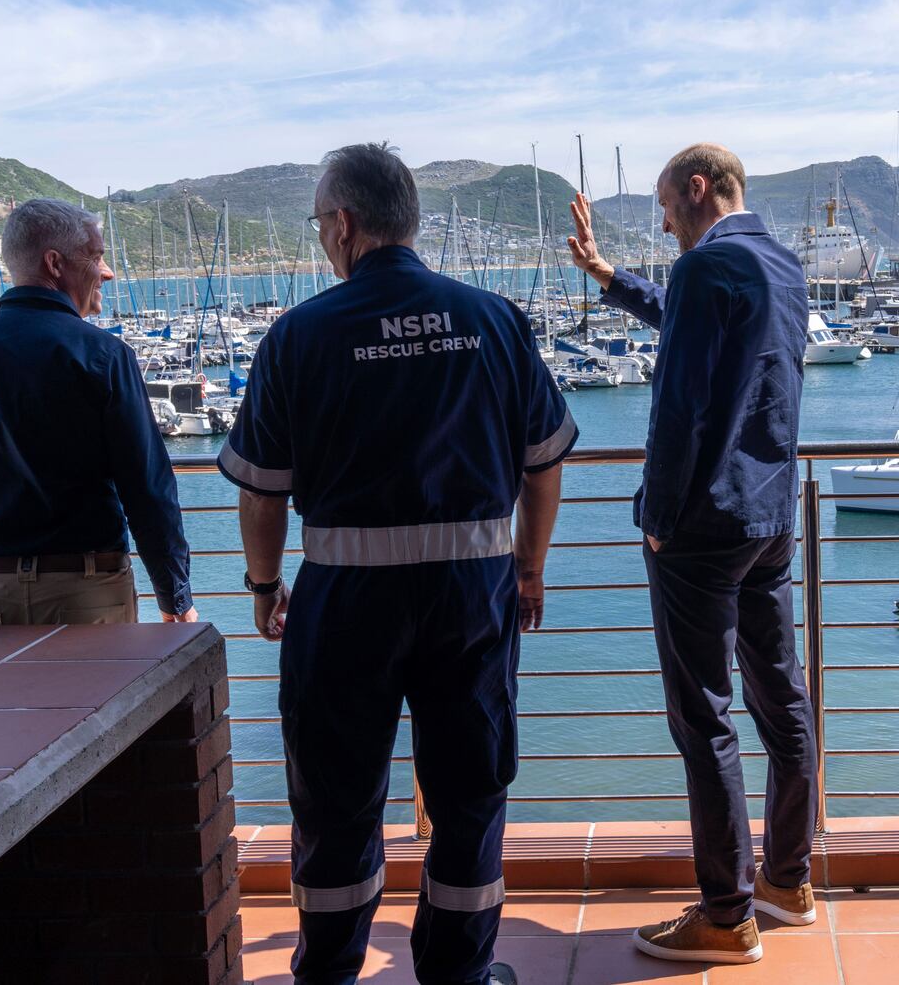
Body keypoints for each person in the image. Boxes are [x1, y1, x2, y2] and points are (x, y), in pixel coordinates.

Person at [219, 142, 574, 985]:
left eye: (318, 224)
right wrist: (529, 566)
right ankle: (460, 971)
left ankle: (332, 972)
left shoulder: (298, 335)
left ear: (343, 224)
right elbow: (543, 459)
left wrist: (265, 587)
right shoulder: (493, 319)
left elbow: (263, 492)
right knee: (469, 795)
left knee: (336, 801)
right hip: (473, 599)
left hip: (345, 603)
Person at [566, 143, 816, 965]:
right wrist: (607, 275)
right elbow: (702, 328)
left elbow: (676, 413)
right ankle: (787, 878)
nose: (664, 222)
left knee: (704, 716)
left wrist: (657, 520)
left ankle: (725, 911)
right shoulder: (780, 264)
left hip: (702, 530)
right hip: (772, 519)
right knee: (781, 700)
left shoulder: (707, 269)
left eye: (666, 207)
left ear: (698, 188)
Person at [0, 198, 196, 627]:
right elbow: (147, 488)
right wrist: (175, 598)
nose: (107, 272)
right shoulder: (103, 355)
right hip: (88, 593)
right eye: (97, 256)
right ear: (54, 263)